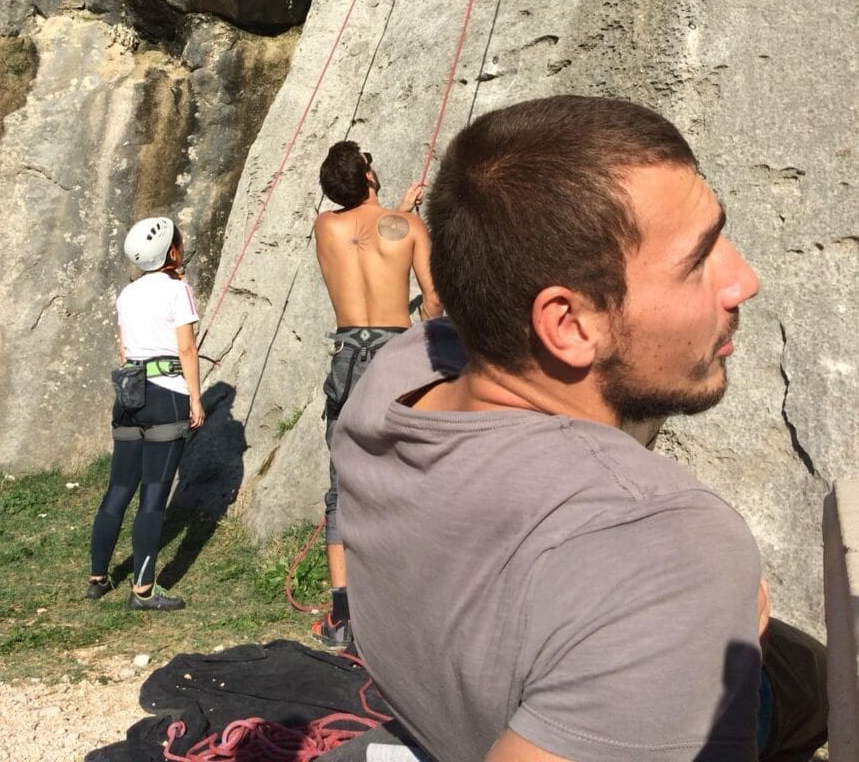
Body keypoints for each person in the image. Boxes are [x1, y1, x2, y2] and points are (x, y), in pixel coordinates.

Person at [333, 96, 827, 761]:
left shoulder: (394, 375)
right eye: (698, 260)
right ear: (567, 325)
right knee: (816, 683)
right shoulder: (667, 545)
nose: (744, 280)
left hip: (441, 716)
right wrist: (688, 616)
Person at [313, 141, 442, 648]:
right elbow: (432, 301)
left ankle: (342, 616)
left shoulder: (325, 227)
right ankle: (404, 605)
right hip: (394, 357)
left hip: (347, 359)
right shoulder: (408, 228)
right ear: (369, 175)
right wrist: (407, 216)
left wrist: (399, 211)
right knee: (408, 475)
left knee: (341, 487)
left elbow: (362, 237)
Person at [87, 216, 205, 611]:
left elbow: (124, 350)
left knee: (118, 489)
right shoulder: (178, 290)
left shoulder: (127, 293)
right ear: (171, 251)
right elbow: (186, 349)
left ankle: (98, 579)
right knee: (153, 495)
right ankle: (143, 590)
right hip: (166, 395)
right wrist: (195, 398)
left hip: (129, 395)